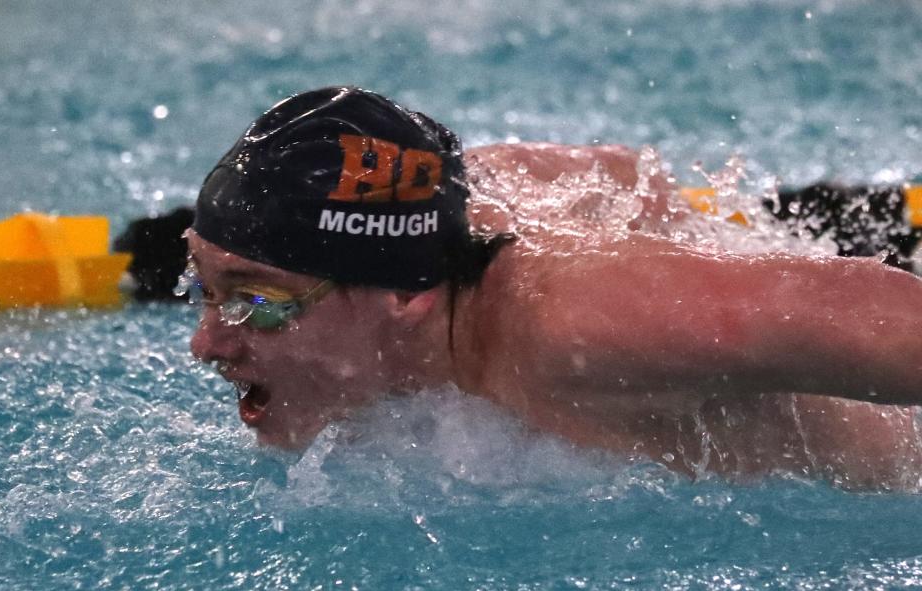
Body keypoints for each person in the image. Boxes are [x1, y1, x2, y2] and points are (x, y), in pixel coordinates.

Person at [183, 86, 922, 489]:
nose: (206, 344)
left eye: (256, 300)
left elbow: (864, 311)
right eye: (204, 288)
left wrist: (669, 274)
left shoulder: (572, 332)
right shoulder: (456, 203)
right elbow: (632, 176)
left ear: (404, 294)